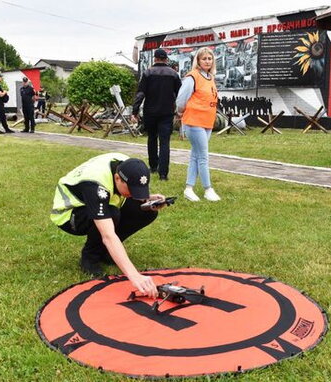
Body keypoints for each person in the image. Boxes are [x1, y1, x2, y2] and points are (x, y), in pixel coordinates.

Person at [50, 153, 168, 298]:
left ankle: (107, 253)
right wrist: (135, 275)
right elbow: (108, 235)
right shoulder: (95, 185)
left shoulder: (127, 166)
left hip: (103, 201)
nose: (134, 194)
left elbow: (128, 190)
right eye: (131, 190)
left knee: (147, 211)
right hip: (70, 214)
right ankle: (90, 257)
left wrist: (148, 198)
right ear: (117, 178)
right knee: (111, 215)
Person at [176, 47, 220, 202]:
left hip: (207, 121)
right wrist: (180, 112)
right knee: (203, 156)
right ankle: (208, 189)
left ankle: (189, 188)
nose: (207, 61)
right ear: (198, 60)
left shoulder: (210, 77)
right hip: (194, 121)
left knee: (196, 155)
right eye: (204, 58)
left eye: (210, 58)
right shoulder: (192, 77)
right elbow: (181, 99)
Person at [132, 48, 181, 181]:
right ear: (166, 59)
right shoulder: (174, 74)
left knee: (152, 138)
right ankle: (163, 174)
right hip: (167, 113)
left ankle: (153, 167)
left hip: (150, 112)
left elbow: (141, 93)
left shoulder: (148, 73)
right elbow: (180, 94)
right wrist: (180, 110)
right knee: (165, 143)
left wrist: (135, 111)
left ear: (155, 58)